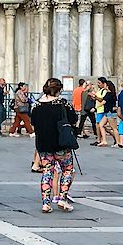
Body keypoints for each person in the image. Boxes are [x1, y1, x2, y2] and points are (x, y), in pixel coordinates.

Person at [30, 78, 78, 212]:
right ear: (58, 90)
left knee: (47, 171)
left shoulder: (36, 105)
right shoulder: (62, 103)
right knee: (67, 169)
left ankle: (46, 203)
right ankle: (62, 199)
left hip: (43, 144)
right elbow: (74, 119)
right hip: (61, 143)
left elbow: (33, 122)